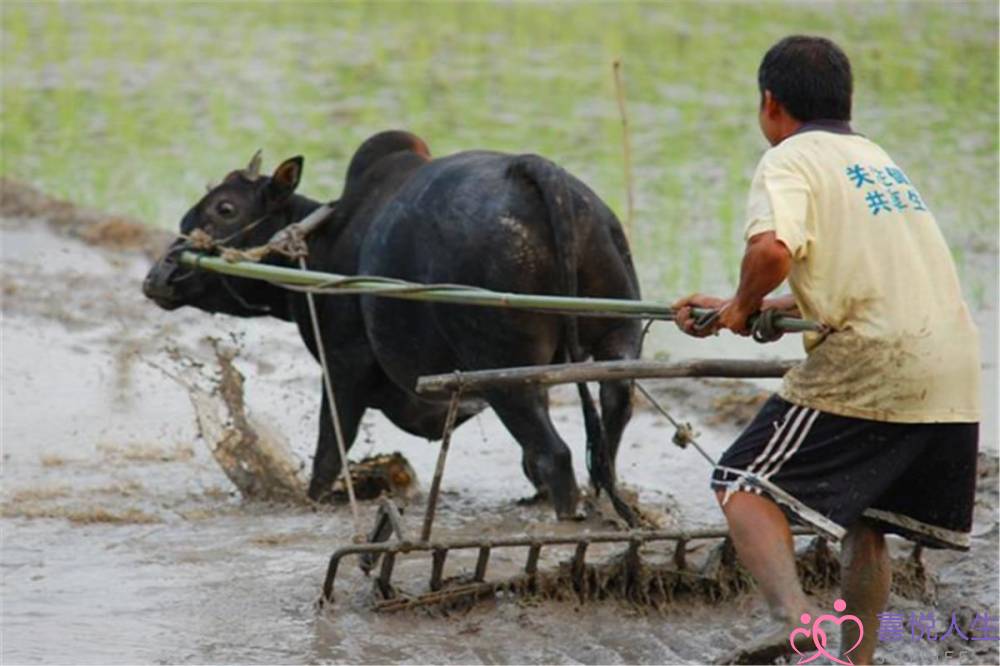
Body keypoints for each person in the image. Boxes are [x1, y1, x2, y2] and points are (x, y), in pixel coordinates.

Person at [674, 35, 981, 665]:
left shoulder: (789, 160)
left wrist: (738, 306)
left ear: (770, 104)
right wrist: (754, 303)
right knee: (867, 519)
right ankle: (857, 661)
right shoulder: (877, 161)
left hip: (876, 359)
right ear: (847, 100)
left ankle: (797, 621)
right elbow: (863, 280)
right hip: (952, 364)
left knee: (740, 482)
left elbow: (771, 253)